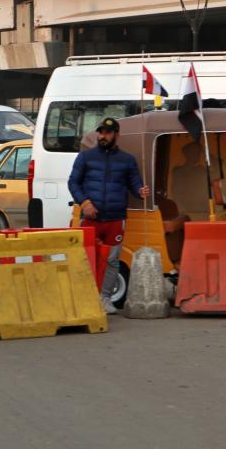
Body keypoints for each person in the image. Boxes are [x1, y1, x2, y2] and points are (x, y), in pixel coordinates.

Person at [67, 117, 150, 314]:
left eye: (108, 132)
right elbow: (73, 183)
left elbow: (134, 183)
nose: (103, 135)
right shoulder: (85, 157)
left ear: (116, 135)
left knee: (112, 260)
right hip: (90, 219)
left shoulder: (127, 160)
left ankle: (105, 298)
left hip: (115, 219)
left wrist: (140, 191)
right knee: (86, 258)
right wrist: (85, 203)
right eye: (101, 132)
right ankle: (84, 297)